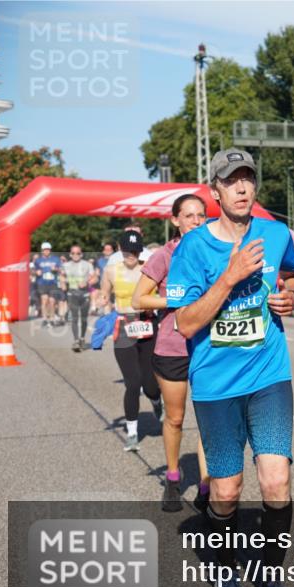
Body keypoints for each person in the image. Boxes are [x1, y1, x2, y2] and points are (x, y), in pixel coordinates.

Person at [166, 148, 294, 587]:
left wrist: (289, 295)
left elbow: (293, 274)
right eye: (232, 180)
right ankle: (224, 570)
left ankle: (270, 584)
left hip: (268, 375)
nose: (243, 188)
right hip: (215, 385)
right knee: (226, 492)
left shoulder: (276, 233)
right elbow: (184, 323)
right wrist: (230, 276)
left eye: (248, 178)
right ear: (216, 191)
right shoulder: (193, 249)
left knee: (275, 482)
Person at [132, 194, 211, 513]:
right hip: (173, 347)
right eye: (189, 216)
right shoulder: (165, 255)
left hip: (209, 344)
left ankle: (206, 486)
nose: (196, 221)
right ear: (175, 221)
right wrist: (175, 301)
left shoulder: (216, 251)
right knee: (176, 418)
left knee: (210, 419)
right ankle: (174, 479)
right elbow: (139, 300)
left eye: (201, 215)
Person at [101, 230, 163, 451]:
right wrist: (103, 305)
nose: (132, 255)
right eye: (128, 251)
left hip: (148, 325)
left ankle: (156, 401)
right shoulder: (110, 271)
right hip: (124, 327)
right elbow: (104, 295)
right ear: (120, 249)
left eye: (136, 251)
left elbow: (160, 293)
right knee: (133, 383)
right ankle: (132, 433)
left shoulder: (150, 268)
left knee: (150, 385)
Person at [63, 244, 94, 351]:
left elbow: (94, 278)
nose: (76, 255)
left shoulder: (87, 265)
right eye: (73, 253)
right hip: (72, 294)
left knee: (84, 318)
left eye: (78, 253)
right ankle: (76, 340)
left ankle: (82, 338)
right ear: (70, 254)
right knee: (75, 318)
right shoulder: (66, 265)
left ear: (81, 254)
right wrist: (63, 282)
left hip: (85, 294)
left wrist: (86, 282)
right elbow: (61, 276)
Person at [32, 242, 63, 326]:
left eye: (48, 250)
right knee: (44, 301)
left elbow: (61, 270)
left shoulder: (55, 259)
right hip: (42, 283)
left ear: (50, 250)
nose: (46, 251)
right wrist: (36, 272)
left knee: (52, 302)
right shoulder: (38, 261)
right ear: (42, 251)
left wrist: (56, 269)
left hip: (53, 283)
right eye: (45, 250)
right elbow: (33, 270)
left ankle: (52, 318)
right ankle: (45, 319)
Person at [94, 242, 115, 313]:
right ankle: (107, 320)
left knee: (114, 307)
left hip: (115, 287)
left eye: (110, 249)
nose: (108, 251)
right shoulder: (100, 261)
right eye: (106, 249)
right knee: (106, 305)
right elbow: (97, 274)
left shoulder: (117, 260)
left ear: (113, 250)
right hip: (104, 287)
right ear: (103, 251)